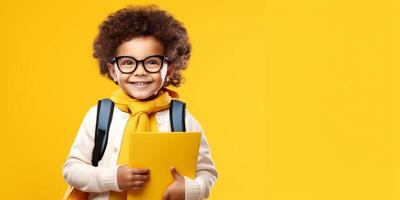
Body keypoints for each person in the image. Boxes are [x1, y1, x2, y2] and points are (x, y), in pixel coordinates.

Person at [62, 4, 218, 200]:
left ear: (169, 69)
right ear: (113, 70)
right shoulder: (99, 116)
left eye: (152, 62)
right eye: (128, 62)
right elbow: (72, 170)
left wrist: (190, 189)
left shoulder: (182, 119)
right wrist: (114, 178)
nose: (140, 71)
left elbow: (206, 171)